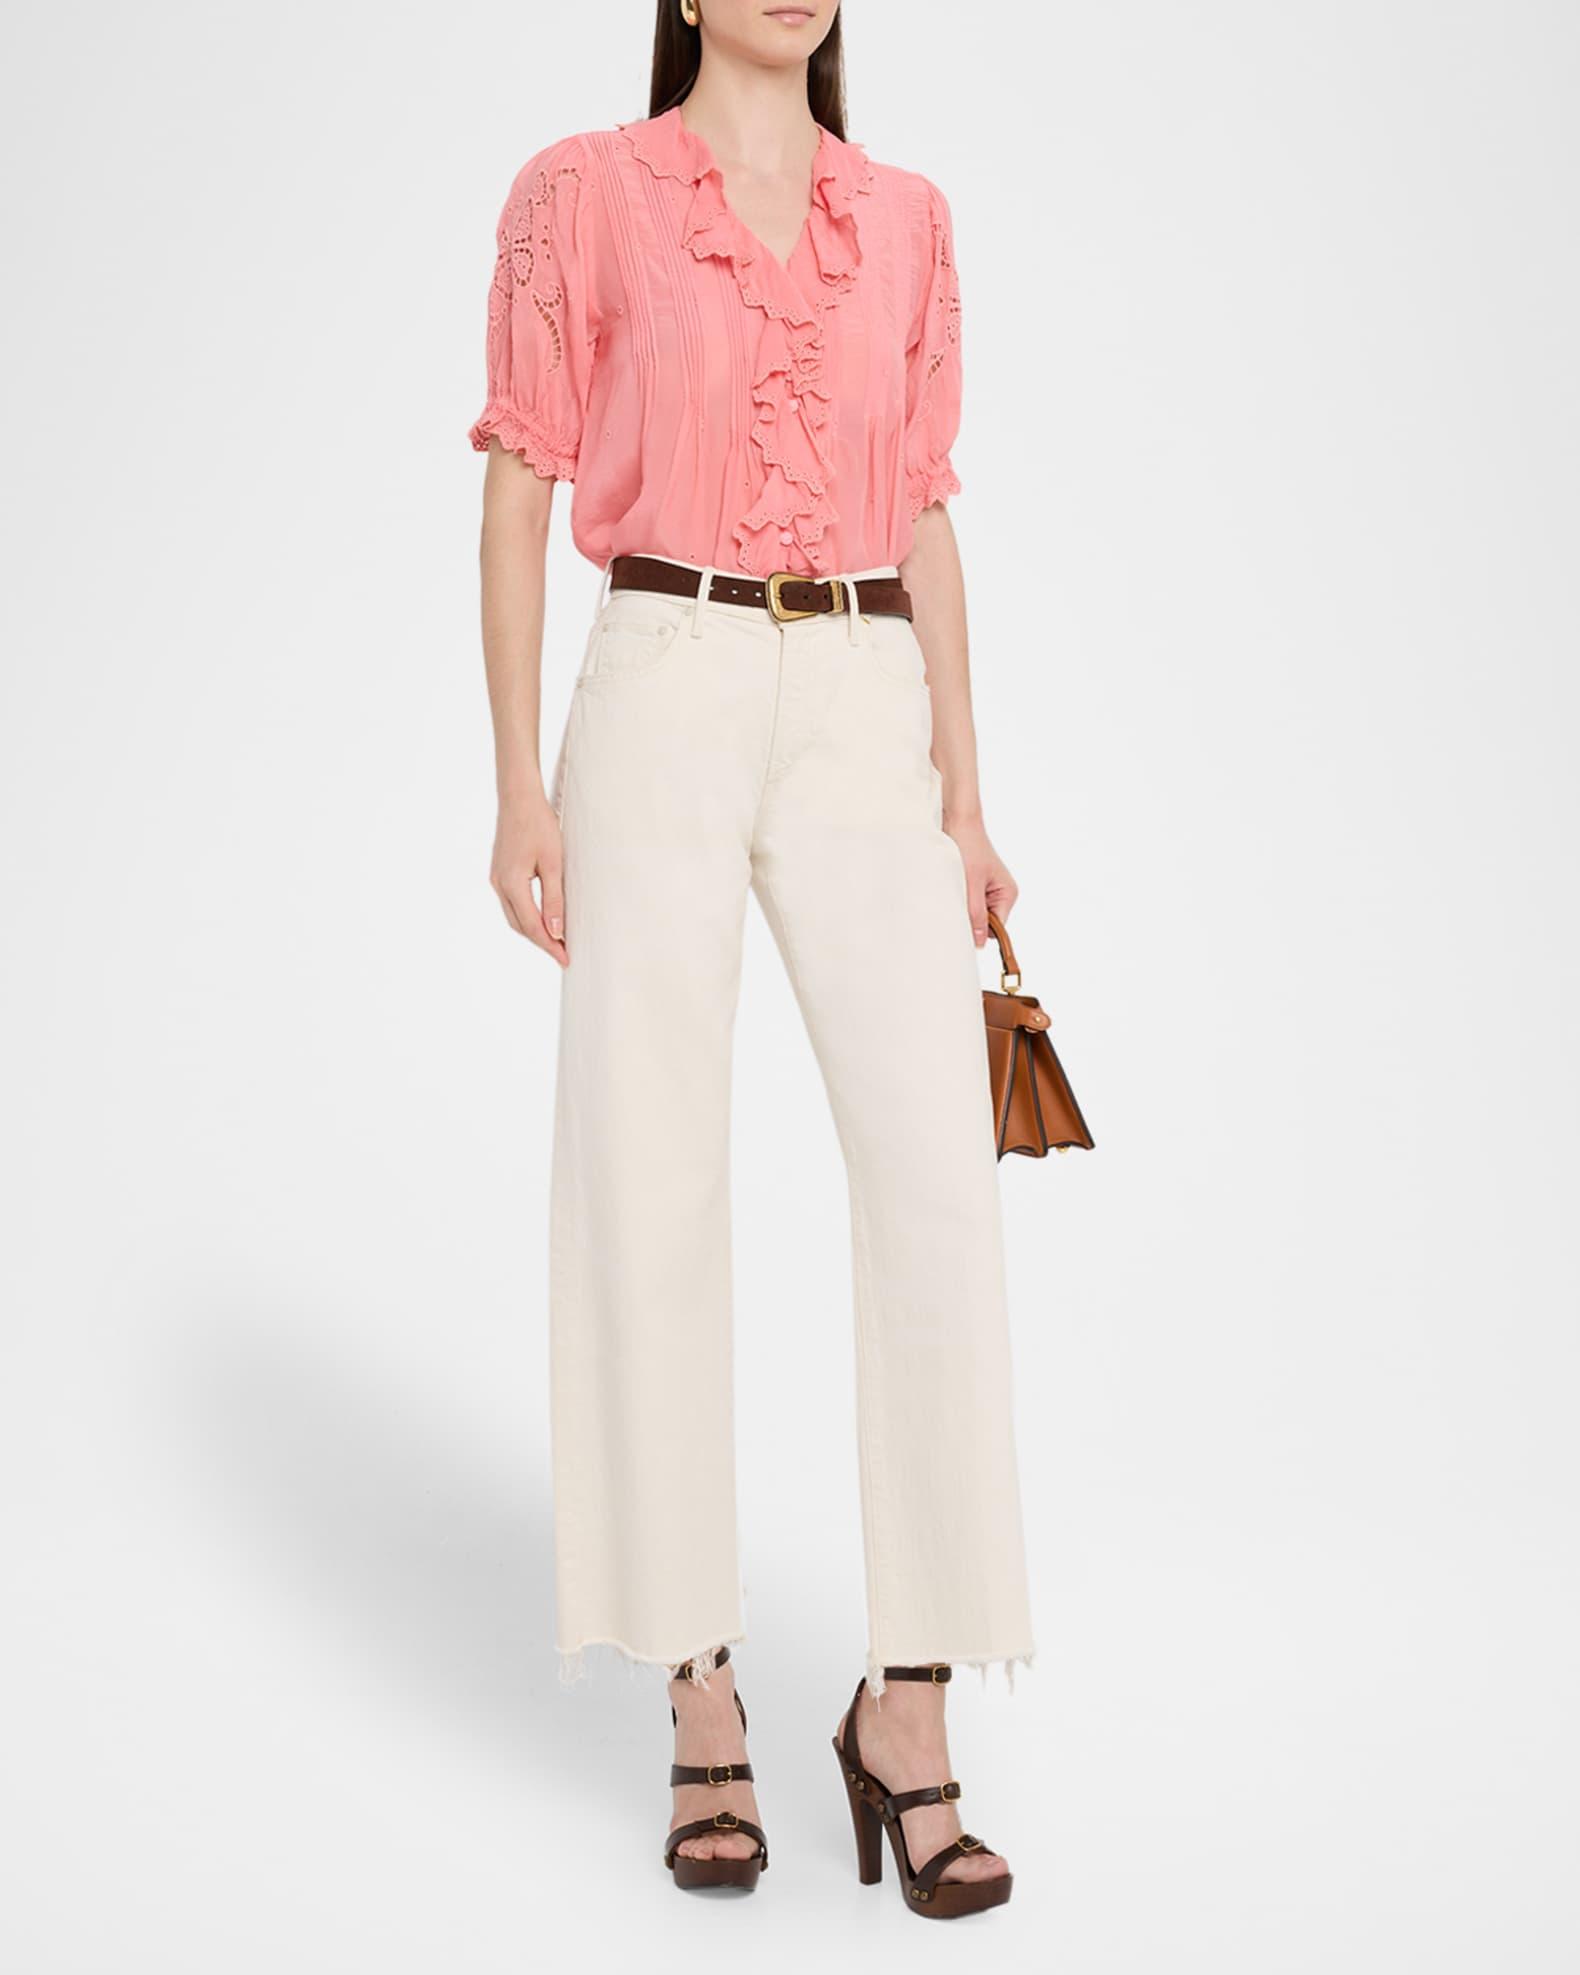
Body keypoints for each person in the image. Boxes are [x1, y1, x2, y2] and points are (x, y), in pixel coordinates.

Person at [472, 0, 1032, 1917]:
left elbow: (928, 512)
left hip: (866, 683)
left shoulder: (911, 217)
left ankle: (912, 1700)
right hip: (664, 670)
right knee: (650, 1171)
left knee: (937, 1178)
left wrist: (967, 792)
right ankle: (698, 1680)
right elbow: (521, 483)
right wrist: (516, 782)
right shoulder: (584, 194)